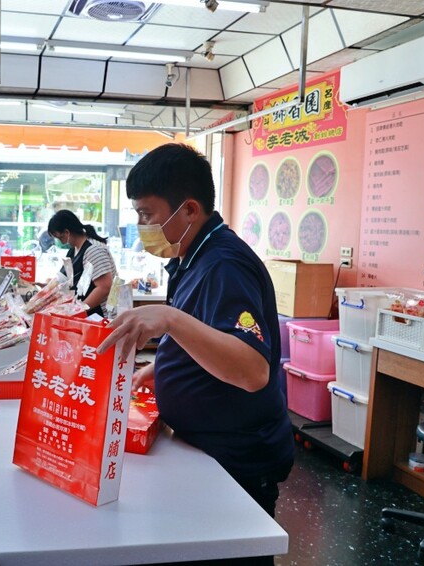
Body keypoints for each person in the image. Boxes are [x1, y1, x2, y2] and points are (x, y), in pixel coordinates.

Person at [98, 144, 293, 541]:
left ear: (189, 210)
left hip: (236, 459)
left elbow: (253, 369)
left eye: (146, 215)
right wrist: (165, 366)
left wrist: (169, 319)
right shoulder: (192, 255)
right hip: (202, 448)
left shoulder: (224, 265)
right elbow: (209, 331)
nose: (141, 226)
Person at [47, 210, 117, 317]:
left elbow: (104, 288)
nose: (61, 242)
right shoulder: (73, 250)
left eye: (60, 237)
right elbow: (64, 280)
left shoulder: (93, 250)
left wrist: (79, 310)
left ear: (67, 232)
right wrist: (44, 289)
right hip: (88, 314)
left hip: (102, 316)